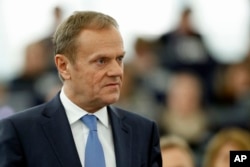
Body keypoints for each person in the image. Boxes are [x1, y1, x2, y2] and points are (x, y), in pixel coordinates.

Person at [0, 11, 162, 167]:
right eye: (101, 61)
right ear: (63, 66)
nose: (117, 71)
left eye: (119, 59)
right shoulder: (20, 132)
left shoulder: (143, 132)